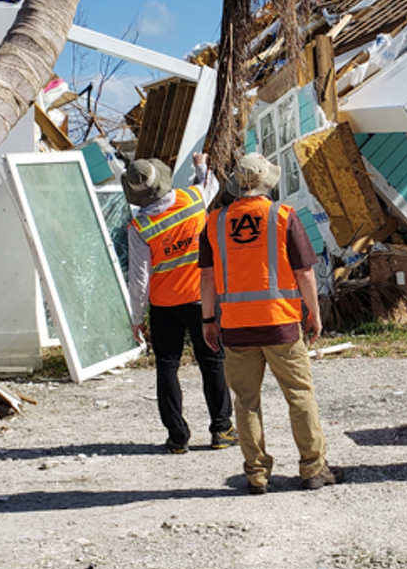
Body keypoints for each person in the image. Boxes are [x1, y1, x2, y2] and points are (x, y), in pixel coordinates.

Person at [200, 153, 335, 495]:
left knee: (246, 401)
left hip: (235, 327)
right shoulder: (282, 216)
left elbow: (207, 278)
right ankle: (313, 468)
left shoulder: (214, 222)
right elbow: (304, 272)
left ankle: (256, 475)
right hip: (281, 324)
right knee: (300, 395)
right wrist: (314, 314)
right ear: (266, 183)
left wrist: (207, 319)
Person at [125, 155, 234, 454]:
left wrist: (137, 317)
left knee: (167, 367)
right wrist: (201, 164)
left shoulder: (139, 226)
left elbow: (139, 278)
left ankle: (177, 437)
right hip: (202, 300)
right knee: (212, 362)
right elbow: (210, 182)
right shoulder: (194, 197)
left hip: (164, 305)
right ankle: (221, 429)